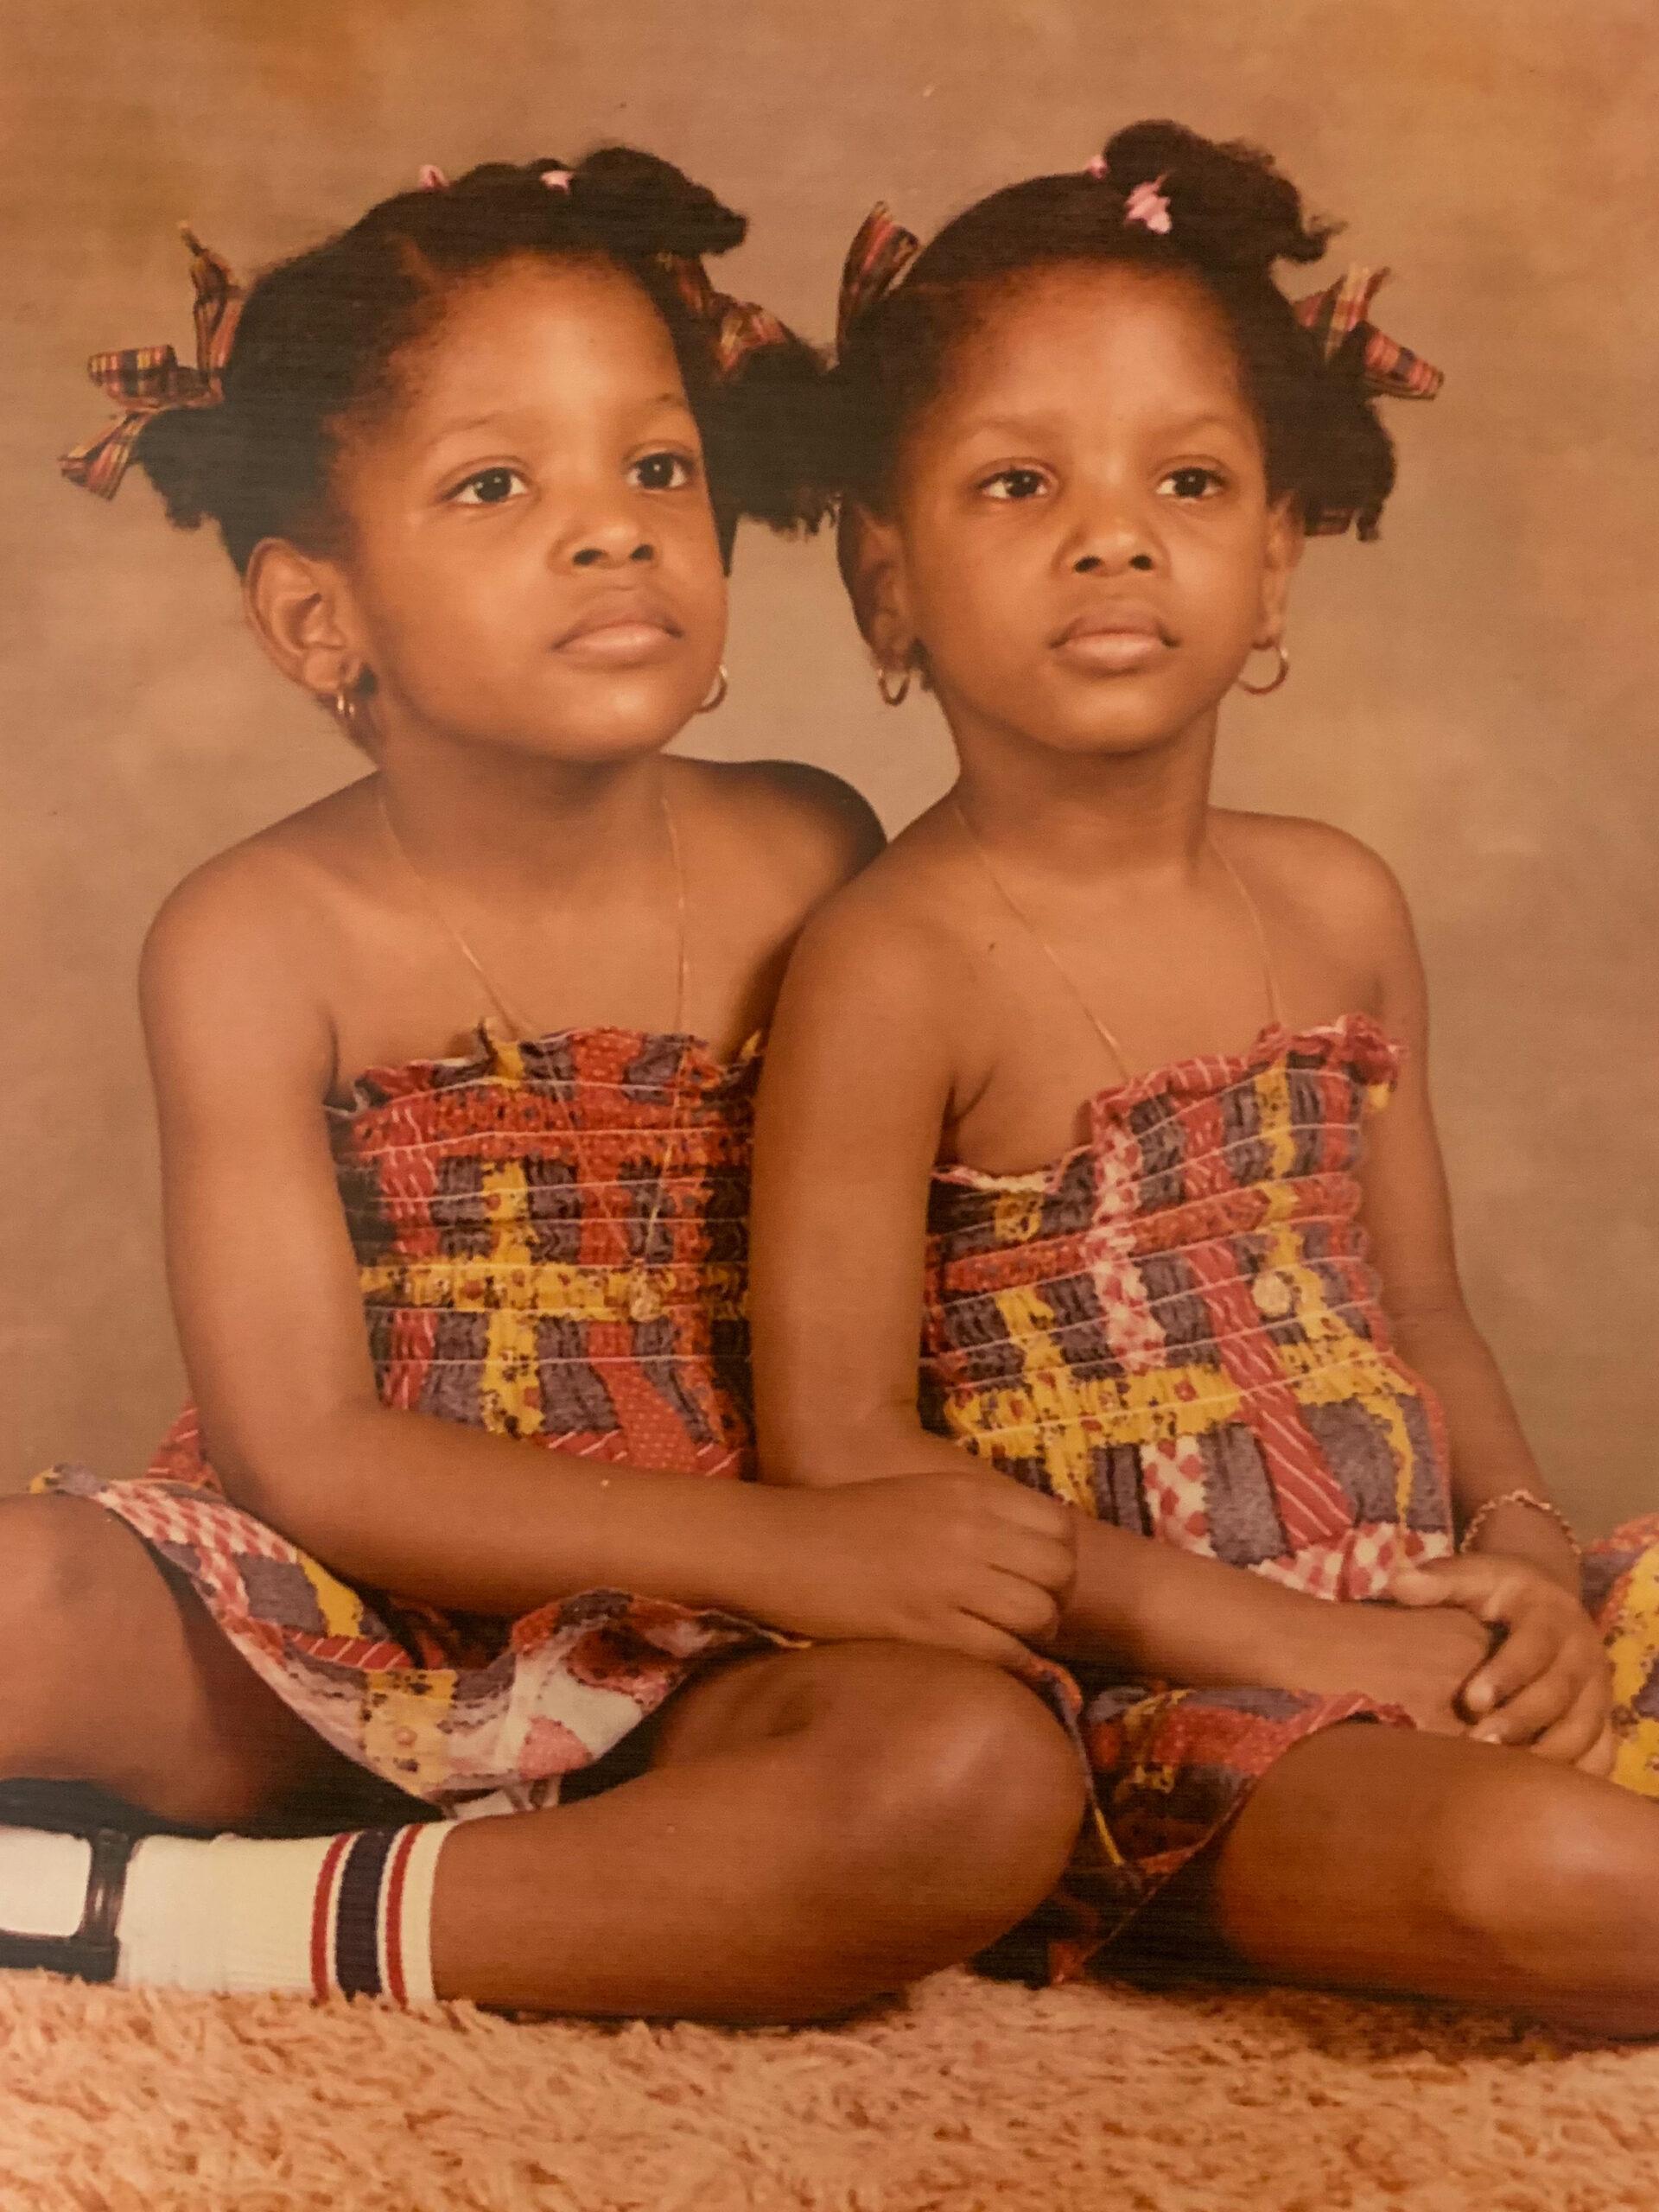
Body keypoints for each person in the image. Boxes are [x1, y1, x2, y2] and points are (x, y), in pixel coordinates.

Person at [0, 149, 1088, 2020]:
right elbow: (308, 1454)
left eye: (656, 467)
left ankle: (181, 1924)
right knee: (16, 1592)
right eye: (499, 484)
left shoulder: (815, 849)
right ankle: (471, 1880)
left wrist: (837, 1559)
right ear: (314, 619)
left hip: (719, 1654)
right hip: (329, 1621)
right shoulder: (255, 931)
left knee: (971, 1783)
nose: (613, 530)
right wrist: (794, 1536)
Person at [749, 119, 1659, 2035]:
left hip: (1432, 1592)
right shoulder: (892, 961)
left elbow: (1424, 1309)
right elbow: (838, 1457)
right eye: (1020, 482)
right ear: (885, 581)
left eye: (1188, 476)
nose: (1112, 531)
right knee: (1556, 1874)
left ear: (1277, 561)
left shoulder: (1337, 899)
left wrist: (1528, 1563)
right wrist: (1295, 1640)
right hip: (1141, 1689)